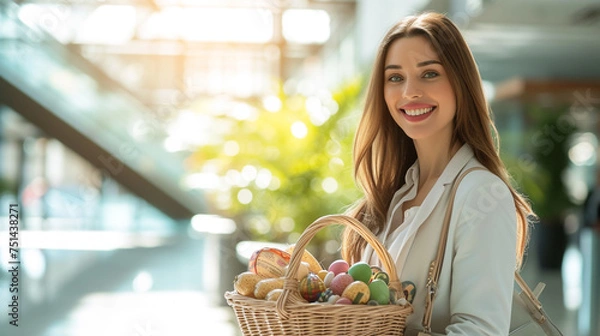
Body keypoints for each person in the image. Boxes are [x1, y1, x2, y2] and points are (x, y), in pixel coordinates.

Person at [341, 12, 533, 335]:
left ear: (460, 82)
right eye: (395, 77)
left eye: (429, 74)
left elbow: (480, 331)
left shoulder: (482, 195)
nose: (410, 92)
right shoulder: (393, 197)